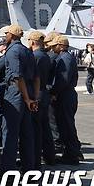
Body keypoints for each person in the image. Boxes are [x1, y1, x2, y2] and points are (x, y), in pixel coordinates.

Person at [0, 24, 38, 185]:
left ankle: (8, 175)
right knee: (27, 135)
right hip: (29, 93)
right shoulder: (27, 51)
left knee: (9, 135)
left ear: (12, 35)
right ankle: (29, 171)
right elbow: (37, 78)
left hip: (16, 94)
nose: (5, 36)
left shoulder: (12, 51)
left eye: (7, 34)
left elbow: (17, 77)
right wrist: (33, 99)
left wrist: (25, 98)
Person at [50, 35, 82, 164]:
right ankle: (70, 152)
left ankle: (72, 154)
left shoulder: (65, 58)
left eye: (55, 45)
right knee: (64, 125)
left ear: (62, 46)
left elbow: (63, 80)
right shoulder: (63, 57)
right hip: (65, 94)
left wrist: (53, 91)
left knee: (67, 125)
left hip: (65, 95)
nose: (53, 47)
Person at [28, 30, 56, 168]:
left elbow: (33, 77)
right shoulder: (45, 56)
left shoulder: (35, 56)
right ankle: (50, 157)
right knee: (45, 128)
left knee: (36, 129)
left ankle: (35, 160)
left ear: (32, 42)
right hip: (44, 93)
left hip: (37, 94)